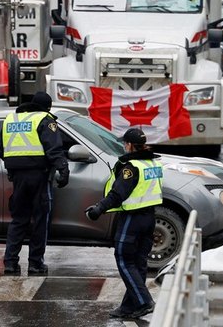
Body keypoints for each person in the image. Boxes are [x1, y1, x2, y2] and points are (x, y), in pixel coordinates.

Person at [85, 128, 162, 320]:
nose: (123, 147)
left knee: (124, 259)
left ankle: (144, 301)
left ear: (129, 145)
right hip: (150, 218)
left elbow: (118, 194)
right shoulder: (152, 163)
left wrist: (98, 209)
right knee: (138, 263)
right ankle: (129, 306)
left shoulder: (131, 167)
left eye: (124, 143)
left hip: (133, 219)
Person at [1, 91, 70, 276]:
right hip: (39, 177)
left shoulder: (11, 119)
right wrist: (63, 169)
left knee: (18, 220)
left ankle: (10, 263)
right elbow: (54, 149)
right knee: (41, 221)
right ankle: (35, 264)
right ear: (47, 107)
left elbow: (1, 149)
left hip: (17, 178)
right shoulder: (45, 119)